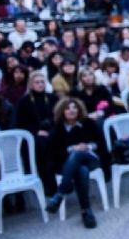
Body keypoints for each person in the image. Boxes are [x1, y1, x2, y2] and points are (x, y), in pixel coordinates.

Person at [45, 97, 106, 229]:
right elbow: (54, 152)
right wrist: (73, 149)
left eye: (74, 107)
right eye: (67, 108)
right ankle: (86, 211)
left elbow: (100, 143)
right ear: (62, 111)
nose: (72, 111)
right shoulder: (57, 129)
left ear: (79, 109)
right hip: (67, 165)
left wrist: (88, 146)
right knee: (81, 170)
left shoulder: (88, 123)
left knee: (79, 154)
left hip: (91, 159)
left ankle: (60, 193)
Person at [15, 71, 60, 195]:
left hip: (52, 130)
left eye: (42, 82)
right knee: (41, 144)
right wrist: (36, 131)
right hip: (33, 135)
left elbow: (59, 116)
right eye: (37, 82)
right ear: (31, 84)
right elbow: (20, 123)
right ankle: (48, 184)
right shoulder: (23, 102)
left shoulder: (52, 97)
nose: (40, 85)